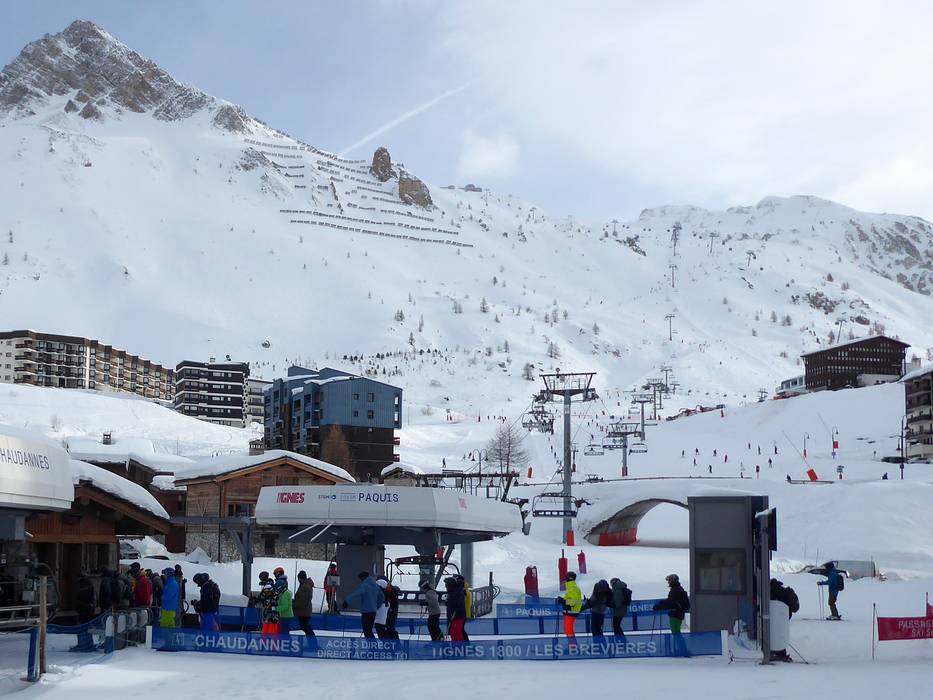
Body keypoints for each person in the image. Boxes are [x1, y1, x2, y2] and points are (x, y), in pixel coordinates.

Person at [653, 574, 690, 656]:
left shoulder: (675, 590)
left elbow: (671, 602)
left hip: (675, 614)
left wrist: (660, 605)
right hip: (678, 613)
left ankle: (683, 650)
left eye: (669, 580)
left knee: (676, 632)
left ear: (673, 581)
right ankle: (682, 650)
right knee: (676, 632)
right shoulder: (678, 589)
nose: (668, 582)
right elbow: (672, 601)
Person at [342, 571, 384, 639]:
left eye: (361, 578)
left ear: (364, 577)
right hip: (373, 612)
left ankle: (372, 645)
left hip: (366, 612)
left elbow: (357, 593)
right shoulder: (375, 585)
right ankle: (372, 645)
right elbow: (382, 597)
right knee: (369, 630)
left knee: (367, 631)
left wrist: (347, 601)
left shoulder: (365, 585)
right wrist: (375, 606)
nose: (361, 580)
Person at [72, 572, 97, 651]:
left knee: (82, 627)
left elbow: (81, 598)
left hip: (84, 609)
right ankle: (88, 643)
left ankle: (83, 644)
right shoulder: (89, 584)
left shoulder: (83, 586)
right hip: (88, 609)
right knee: (87, 627)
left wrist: (79, 606)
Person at [559, 571, 583, 637]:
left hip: (571, 611)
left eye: (566, 577)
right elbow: (569, 598)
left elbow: (573, 601)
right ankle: (572, 643)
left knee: (568, 630)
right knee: (568, 630)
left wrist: (563, 601)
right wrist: (562, 599)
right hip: (569, 611)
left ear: (569, 578)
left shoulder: (573, 588)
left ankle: (572, 643)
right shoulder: (571, 587)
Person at [444, 576, 468, 641]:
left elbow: (459, 605)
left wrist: (454, 613)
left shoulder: (457, 593)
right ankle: (459, 645)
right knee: (454, 632)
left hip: (458, 617)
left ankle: (460, 645)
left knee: (456, 632)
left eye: (447, 585)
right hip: (454, 617)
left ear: (451, 585)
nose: (446, 587)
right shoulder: (452, 593)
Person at [257, 571, 281, 635]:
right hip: (274, 611)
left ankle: (266, 640)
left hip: (269, 611)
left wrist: (256, 599)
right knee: (273, 630)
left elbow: (261, 597)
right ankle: (272, 639)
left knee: (267, 629)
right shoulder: (273, 586)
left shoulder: (267, 588)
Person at [293, 570, 316, 636]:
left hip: (304, 611)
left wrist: (293, 605)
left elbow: (303, 601)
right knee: (305, 627)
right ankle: (311, 641)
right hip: (304, 611)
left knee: (305, 627)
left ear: (301, 578)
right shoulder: (305, 585)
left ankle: (312, 641)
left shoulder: (305, 587)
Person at [273, 567, 293, 635]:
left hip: (285, 615)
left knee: (284, 631)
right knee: (283, 630)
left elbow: (285, 605)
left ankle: (286, 641)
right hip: (283, 614)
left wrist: (276, 608)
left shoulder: (284, 593)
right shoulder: (284, 585)